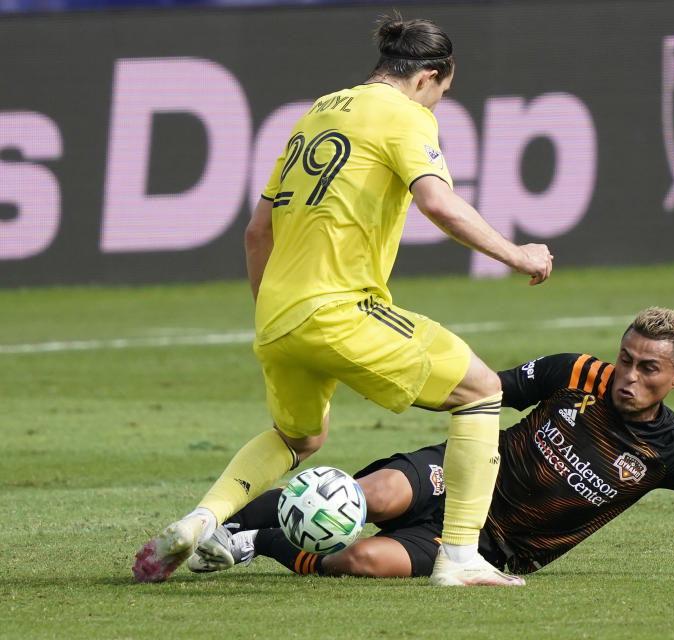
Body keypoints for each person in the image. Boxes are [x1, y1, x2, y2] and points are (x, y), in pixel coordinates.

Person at [132, 15, 552, 587]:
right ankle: (458, 556)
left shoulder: (317, 112)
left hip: (277, 314)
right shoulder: (406, 117)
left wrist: (274, 311)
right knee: (482, 391)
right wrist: (516, 254)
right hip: (341, 305)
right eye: (443, 95)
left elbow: (258, 231)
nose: (438, 108)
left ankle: (202, 519)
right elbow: (439, 203)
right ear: (429, 76)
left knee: (298, 437)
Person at [187, 307, 674, 580]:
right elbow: (484, 392)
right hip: (460, 479)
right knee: (371, 494)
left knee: (365, 558)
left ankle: (256, 547)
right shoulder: (576, 373)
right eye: (627, 359)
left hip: (497, 547)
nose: (627, 377)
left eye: (647, 369)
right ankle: (210, 527)